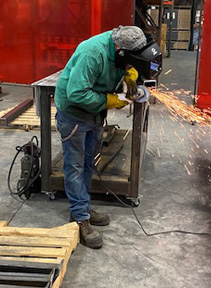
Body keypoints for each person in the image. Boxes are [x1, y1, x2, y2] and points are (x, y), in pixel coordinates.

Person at [54, 26, 148, 249]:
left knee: (88, 163)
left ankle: (82, 209)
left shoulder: (121, 47)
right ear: (119, 50)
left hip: (94, 114)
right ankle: (79, 218)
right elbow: (76, 93)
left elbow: (127, 65)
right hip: (75, 114)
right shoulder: (92, 54)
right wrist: (111, 101)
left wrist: (131, 75)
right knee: (75, 166)